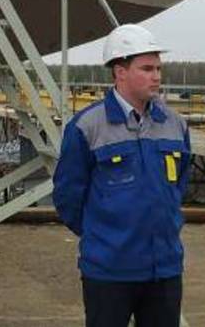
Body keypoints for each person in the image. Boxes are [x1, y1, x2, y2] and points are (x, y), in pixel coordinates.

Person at [53, 24, 190, 327]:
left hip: (164, 270)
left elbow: (179, 183)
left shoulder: (175, 124)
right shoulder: (87, 127)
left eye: (158, 68)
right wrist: (104, 237)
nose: (156, 76)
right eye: (146, 68)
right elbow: (67, 196)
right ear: (120, 71)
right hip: (108, 272)